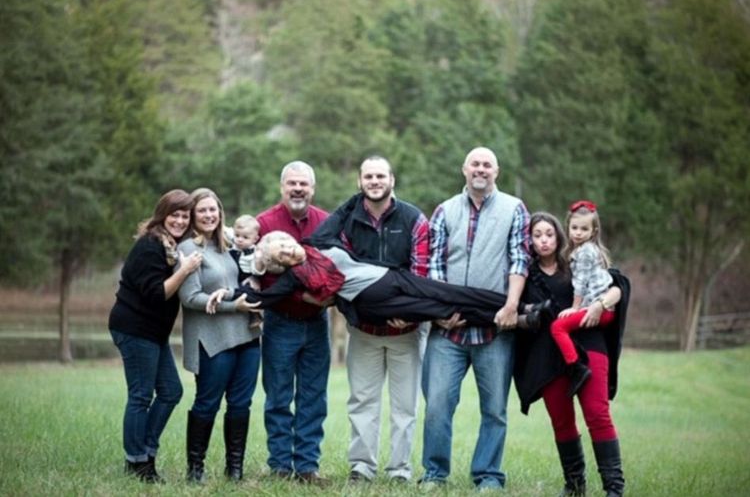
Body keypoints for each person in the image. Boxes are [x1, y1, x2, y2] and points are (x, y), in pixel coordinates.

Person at [311, 155, 430, 483]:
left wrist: (405, 313)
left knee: (405, 407)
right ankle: (361, 468)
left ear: (392, 179)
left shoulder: (414, 219)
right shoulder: (347, 220)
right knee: (362, 401)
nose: (374, 181)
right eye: (368, 176)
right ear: (360, 182)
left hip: (406, 330)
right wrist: (358, 311)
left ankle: (400, 471)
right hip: (362, 329)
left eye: (380, 175)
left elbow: (420, 274)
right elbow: (339, 272)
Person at [420, 146, 530, 491]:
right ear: (464, 170)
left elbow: (519, 259)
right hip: (447, 332)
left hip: (496, 330)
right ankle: (435, 474)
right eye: (475, 164)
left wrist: (512, 305)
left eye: (487, 165)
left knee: (495, 408)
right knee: (437, 405)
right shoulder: (444, 211)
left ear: (496, 172)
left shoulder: (514, 209)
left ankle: (488, 475)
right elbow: (433, 264)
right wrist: (439, 314)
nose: (480, 169)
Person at [206, 232, 543, 330]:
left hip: (392, 276)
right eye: (279, 251)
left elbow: (344, 217)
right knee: (442, 308)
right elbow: (264, 297)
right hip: (375, 303)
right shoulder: (294, 277)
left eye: (284, 242)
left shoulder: (317, 243)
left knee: (453, 292)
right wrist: (227, 294)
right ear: (278, 260)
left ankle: (519, 305)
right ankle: (521, 320)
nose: (286, 249)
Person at [514, 211, 629, 497]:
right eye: (537, 235)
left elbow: (618, 285)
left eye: (549, 234)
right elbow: (514, 313)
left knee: (597, 414)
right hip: (548, 357)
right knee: (562, 421)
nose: (543, 240)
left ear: (559, 235)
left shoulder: (578, 260)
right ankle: (575, 486)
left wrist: (601, 304)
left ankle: (614, 488)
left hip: (589, 346)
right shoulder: (523, 275)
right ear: (529, 240)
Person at [108, 189, 203, 483]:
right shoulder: (150, 246)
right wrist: (185, 270)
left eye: (184, 216)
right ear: (162, 214)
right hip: (134, 329)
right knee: (140, 395)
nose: (179, 220)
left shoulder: (172, 246)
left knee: (171, 391)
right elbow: (157, 292)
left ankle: (145, 451)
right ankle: (138, 463)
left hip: (153, 334)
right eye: (174, 214)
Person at [177, 188, 263, 484]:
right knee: (207, 403)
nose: (209, 215)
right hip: (212, 339)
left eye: (213, 209)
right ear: (193, 215)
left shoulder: (229, 246)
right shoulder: (188, 249)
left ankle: (235, 470)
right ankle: (195, 470)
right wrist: (232, 305)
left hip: (248, 337)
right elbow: (190, 297)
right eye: (202, 210)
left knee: (241, 404)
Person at [254, 161, 330, 484]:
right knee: (278, 396)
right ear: (282, 187)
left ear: (312, 188)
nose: (298, 189)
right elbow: (257, 276)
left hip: (317, 324)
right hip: (280, 322)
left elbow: (333, 267)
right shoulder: (264, 223)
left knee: (314, 396)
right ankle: (281, 467)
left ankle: (308, 467)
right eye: (292, 184)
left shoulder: (326, 222)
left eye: (304, 184)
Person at [549, 200, 616, 397]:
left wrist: (575, 308)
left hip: (598, 308)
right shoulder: (579, 251)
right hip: (598, 307)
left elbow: (581, 282)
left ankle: (576, 367)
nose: (578, 232)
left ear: (593, 231)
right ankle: (575, 364)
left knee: (558, 327)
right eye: (574, 228)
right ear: (568, 227)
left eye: (584, 229)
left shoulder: (586, 251)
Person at [229, 214, 263, 329]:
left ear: (255, 239)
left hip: (247, 279)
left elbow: (258, 271)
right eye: (237, 235)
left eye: (245, 237)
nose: (239, 239)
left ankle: (255, 315)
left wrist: (257, 264)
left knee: (245, 292)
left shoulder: (255, 253)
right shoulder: (233, 247)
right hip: (234, 277)